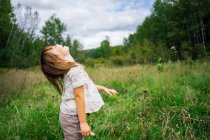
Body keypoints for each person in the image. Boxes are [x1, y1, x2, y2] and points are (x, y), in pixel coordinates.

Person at [40, 44, 118, 140]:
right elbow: (79, 96)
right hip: (71, 117)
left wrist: (103, 88)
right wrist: (83, 123)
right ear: (59, 59)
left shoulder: (72, 69)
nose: (57, 45)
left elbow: (85, 86)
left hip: (69, 116)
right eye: (54, 48)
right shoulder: (75, 71)